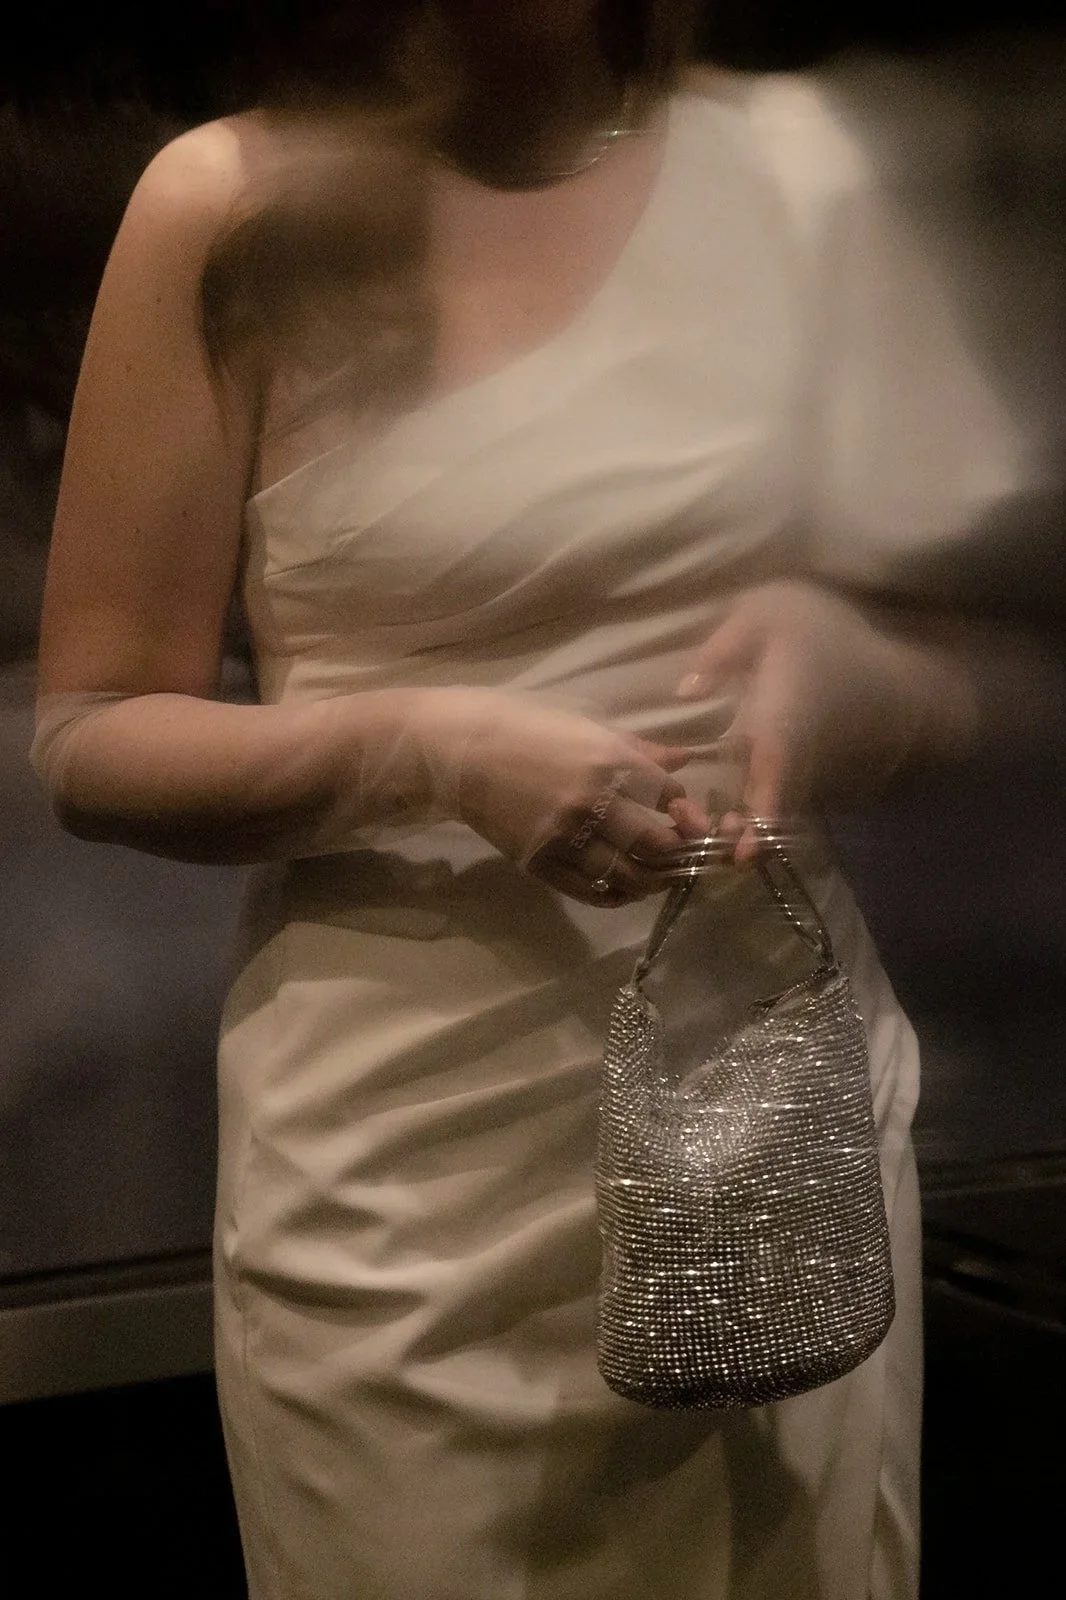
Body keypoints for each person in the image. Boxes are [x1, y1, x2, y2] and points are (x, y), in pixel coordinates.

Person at [32, 4, 1026, 1596]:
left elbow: (955, 687)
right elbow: (92, 730)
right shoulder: (228, 198)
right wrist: (418, 749)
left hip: (770, 1131)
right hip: (402, 1173)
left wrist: (856, 672)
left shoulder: (792, 173)